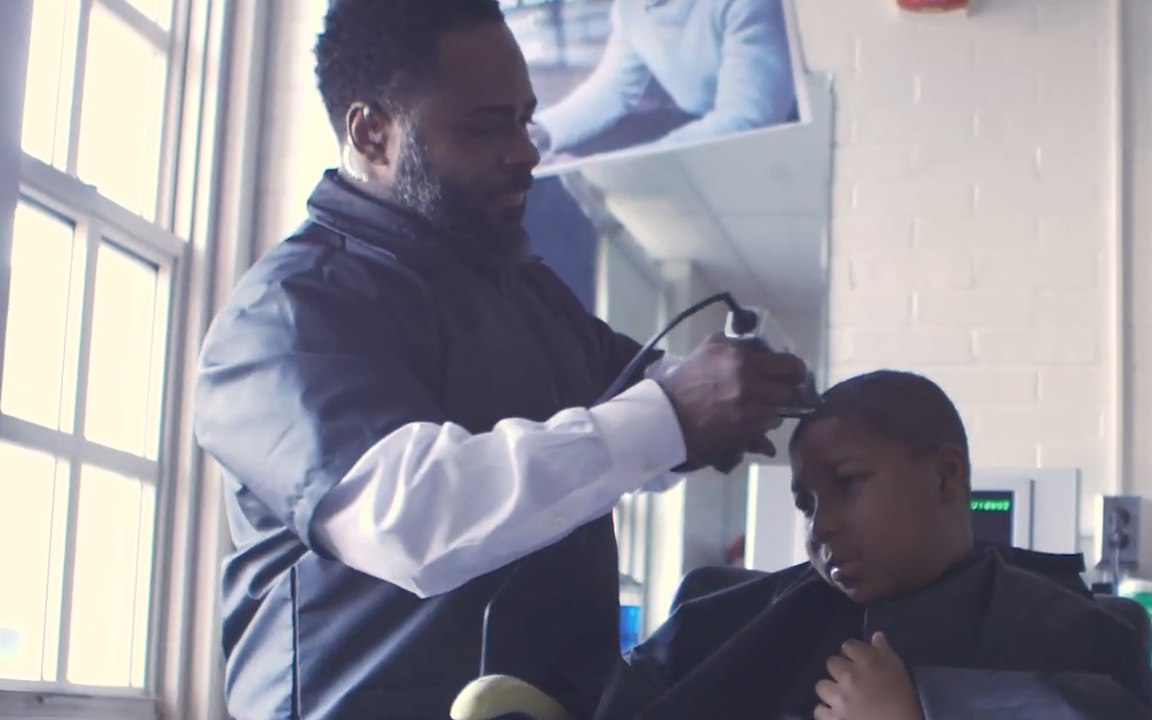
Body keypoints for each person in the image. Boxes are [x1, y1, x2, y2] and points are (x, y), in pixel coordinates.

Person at [191, 1, 809, 718]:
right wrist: (670, 417)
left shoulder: (528, 298)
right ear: (372, 132)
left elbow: (653, 405)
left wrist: (750, 400)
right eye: (487, 126)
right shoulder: (285, 314)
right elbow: (409, 520)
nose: (525, 153)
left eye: (523, 120)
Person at [587, 370, 1152, 720]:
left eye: (849, 484)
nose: (821, 527)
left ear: (946, 477)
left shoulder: (1087, 638)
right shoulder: (723, 624)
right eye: (806, 504)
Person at [529, 0, 797, 159]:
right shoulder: (631, 7)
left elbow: (747, 117)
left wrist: (632, 165)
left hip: (778, 145)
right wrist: (543, 130)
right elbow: (613, 88)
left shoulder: (745, 4)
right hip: (703, 132)